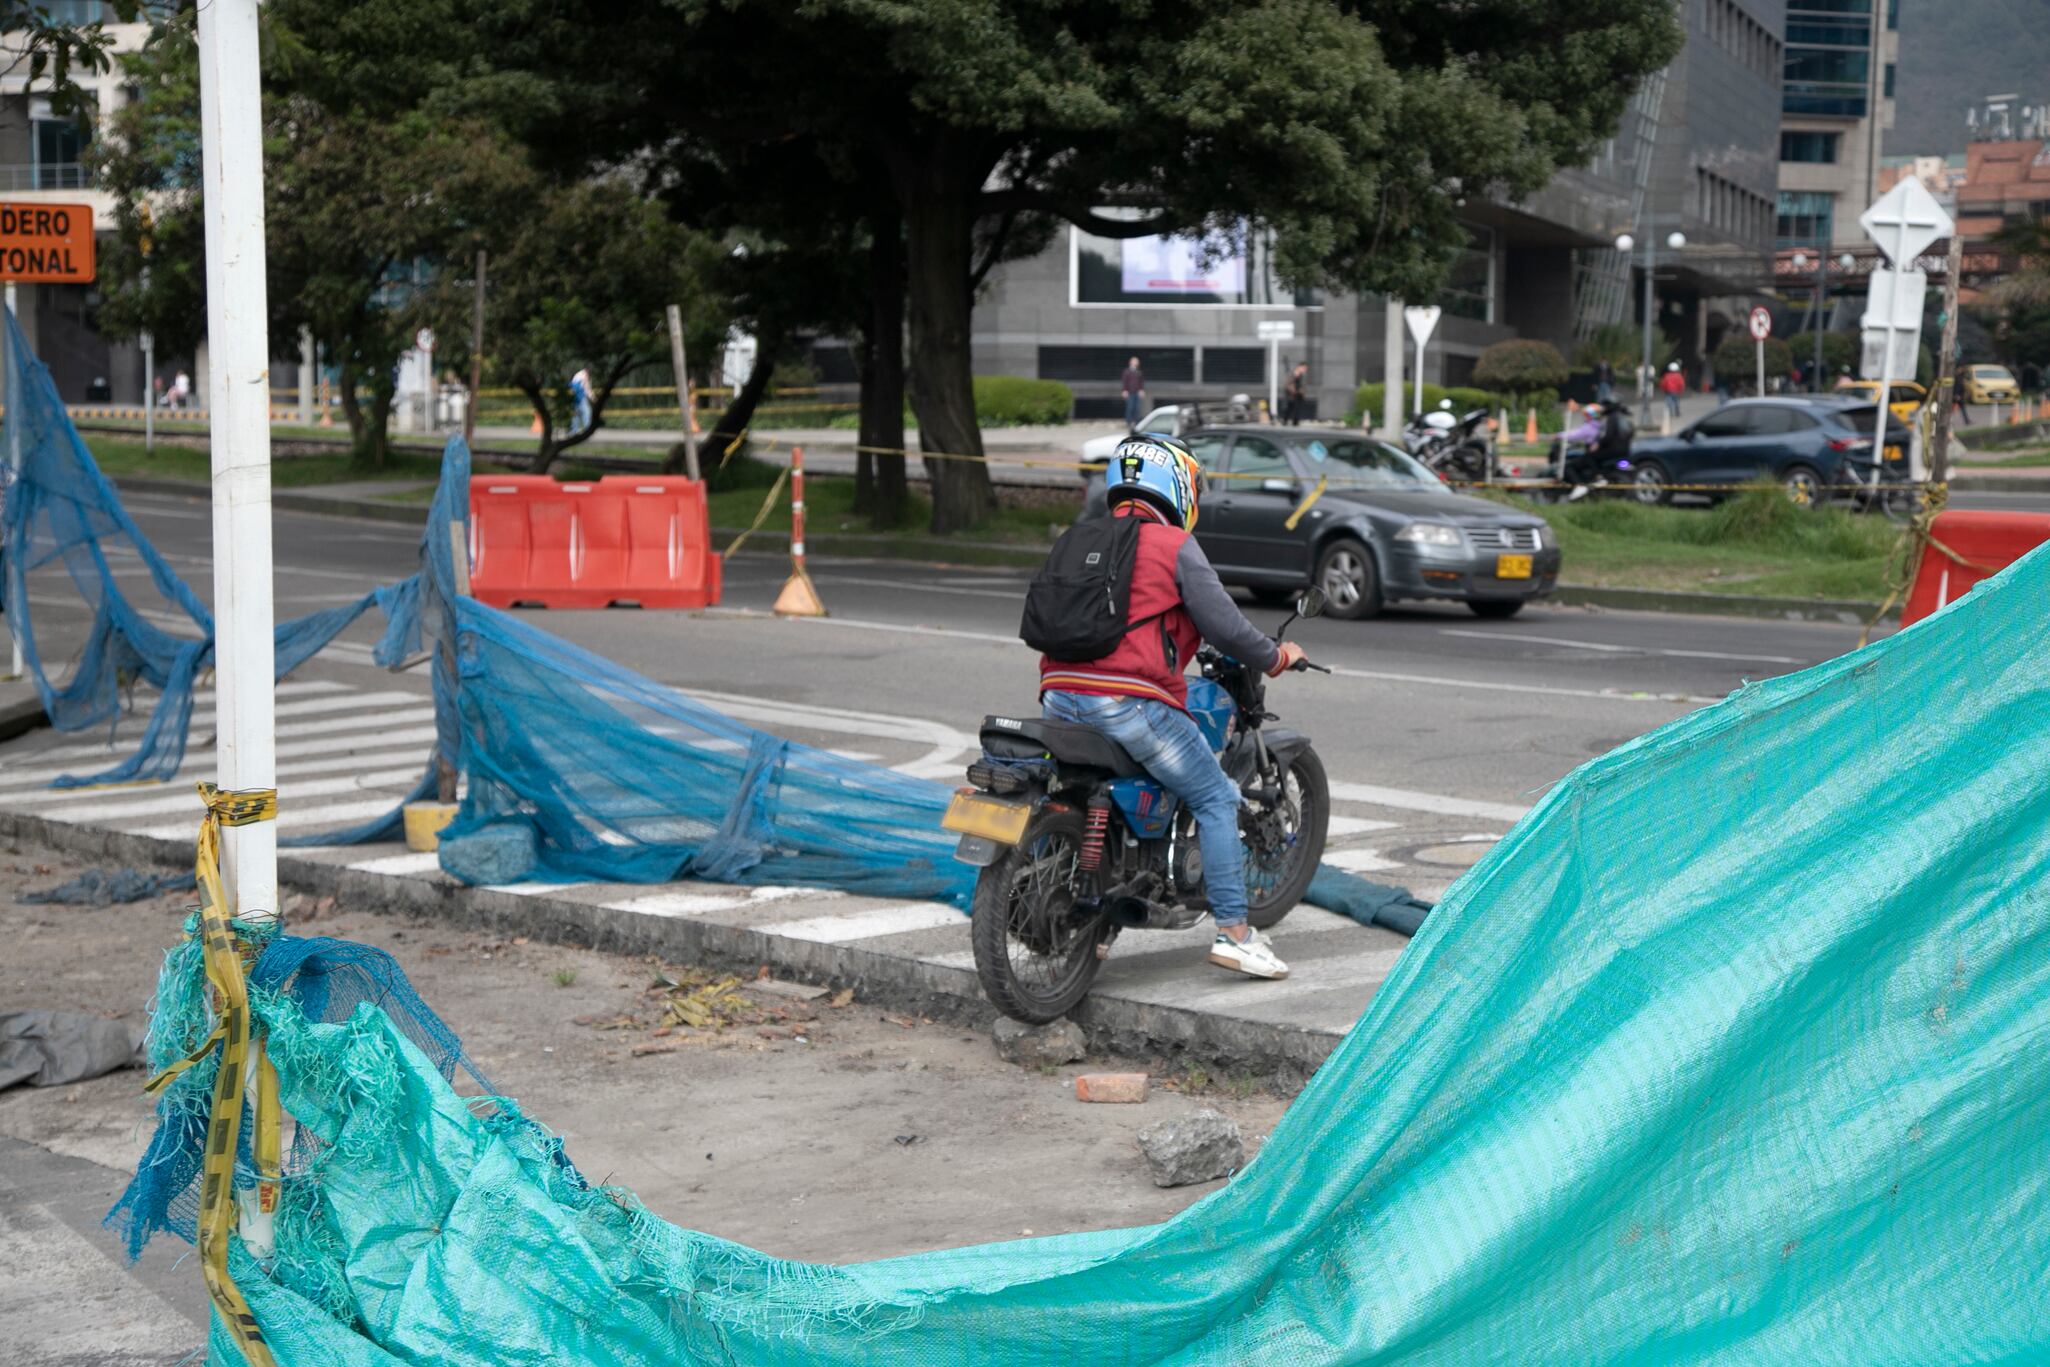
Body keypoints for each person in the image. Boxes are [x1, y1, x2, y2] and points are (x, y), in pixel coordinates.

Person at [1038, 433, 1308, 980]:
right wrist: (1276, 656)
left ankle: (1100, 924)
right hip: (1127, 702)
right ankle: (1235, 935)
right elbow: (1226, 625)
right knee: (1214, 796)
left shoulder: (1078, 536)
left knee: (1100, 795)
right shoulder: (1172, 545)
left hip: (1058, 693)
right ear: (1177, 485)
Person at [1556, 401, 1633, 502]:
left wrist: (1557, 436)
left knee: (1575, 463)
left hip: (1609, 452)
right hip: (1623, 453)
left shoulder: (1593, 426)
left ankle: (1583, 484)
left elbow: (1575, 435)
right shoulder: (1619, 419)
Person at [1120, 356, 1146, 430]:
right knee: (1130, 408)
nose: (1136, 363)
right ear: (1131, 362)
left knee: (1137, 408)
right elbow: (1124, 382)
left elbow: (1141, 382)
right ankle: (1129, 422)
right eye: (1134, 361)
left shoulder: (1139, 372)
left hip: (1137, 392)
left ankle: (1137, 423)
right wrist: (1124, 390)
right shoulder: (1126, 371)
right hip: (1130, 392)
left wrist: (1141, 390)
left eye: (1137, 361)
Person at [570, 365, 593, 434]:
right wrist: (592, 397)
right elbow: (586, 387)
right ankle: (587, 429)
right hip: (580, 396)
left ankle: (574, 430)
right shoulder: (584, 374)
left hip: (575, 396)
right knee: (587, 412)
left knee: (576, 414)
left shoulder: (578, 374)